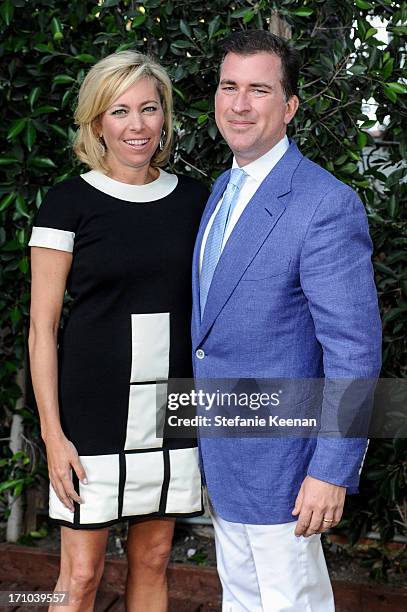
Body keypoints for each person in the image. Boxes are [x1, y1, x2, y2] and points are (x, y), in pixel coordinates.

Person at [192, 30, 381, 611]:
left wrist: (332, 467)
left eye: (259, 90)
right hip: (226, 451)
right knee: (244, 602)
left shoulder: (324, 204)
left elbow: (354, 351)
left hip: (288, 467)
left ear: (290, 107)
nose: (240, 104)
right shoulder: (224, 187)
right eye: (229, 87)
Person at [28, 50, 208, 612]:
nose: (137, 126)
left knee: (154, 561)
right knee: (80, 578)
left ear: (165, 118)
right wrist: (54, 437)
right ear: (97, 122)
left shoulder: (197, 201)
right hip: (91, 411)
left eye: (149, 109)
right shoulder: (67, 202)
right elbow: (41, 329)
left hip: (170, 405)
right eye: (120, 111)